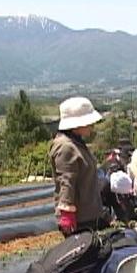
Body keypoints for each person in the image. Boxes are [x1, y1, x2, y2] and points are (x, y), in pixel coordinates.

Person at [49, 96, 111, 237]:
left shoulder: (76, 143)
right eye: (88, 122)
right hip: (79, 219)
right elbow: (67, 180)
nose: (92, 126)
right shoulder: (66, 147)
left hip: (87, 215)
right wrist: (66, 213)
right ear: (76, 124)